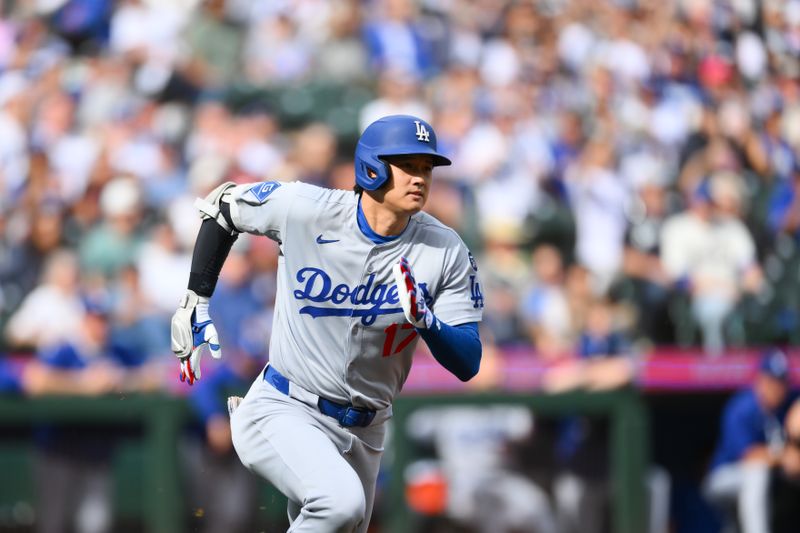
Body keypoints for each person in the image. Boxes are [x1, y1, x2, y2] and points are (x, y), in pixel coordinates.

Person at [170, 114, 484, 532]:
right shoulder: (308, 209)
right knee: (339, 503)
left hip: (367, 431)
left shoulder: (444, 249)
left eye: (426, 168)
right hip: (285, 405)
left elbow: (469, 361)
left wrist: (428, 322)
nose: (420, 178)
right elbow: (222, 207)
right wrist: (197, 298)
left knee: (342, 515)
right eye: (407, 165)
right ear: (371, 167)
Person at [704, 349, 797, 533]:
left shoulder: (787, 402)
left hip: (765, 482)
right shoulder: (742, 407)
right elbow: (749, 457)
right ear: (760, 381)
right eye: (772, 381)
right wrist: (784, 455)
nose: (778, 388)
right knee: (757, 472)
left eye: (782, 382)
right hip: (724, 478)